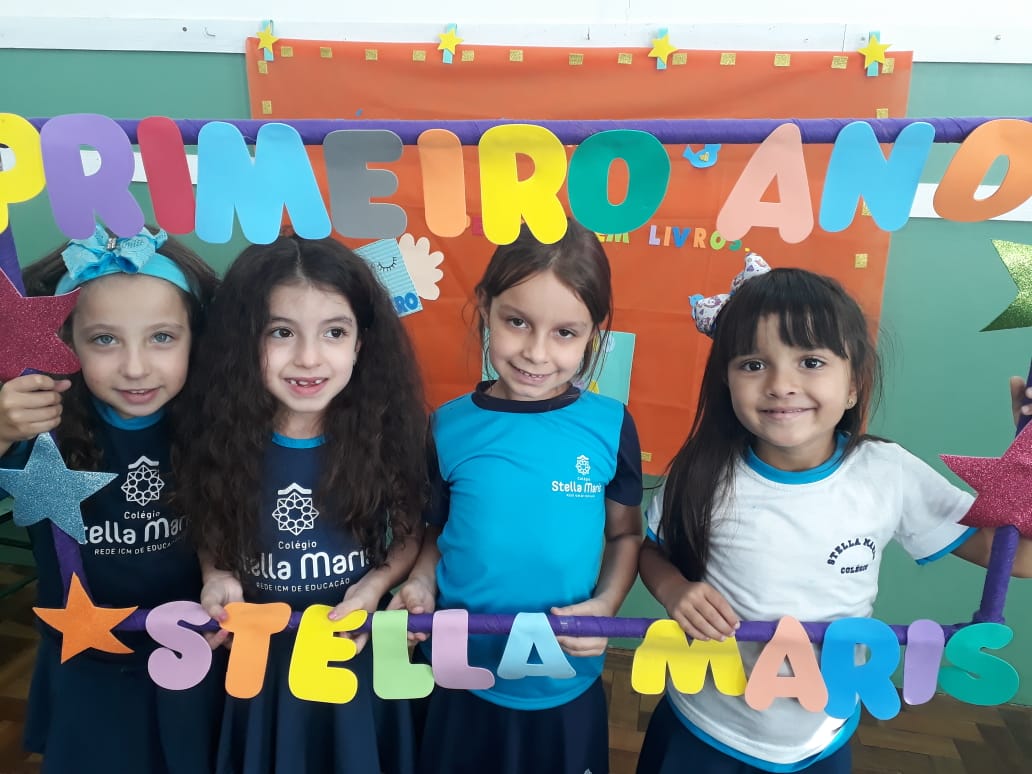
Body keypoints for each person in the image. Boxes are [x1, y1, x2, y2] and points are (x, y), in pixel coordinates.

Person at [636, 256, 1032, 774]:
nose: (781, 384)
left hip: (820, 734)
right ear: (725, 382)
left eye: (811, 362)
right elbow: (651, 552)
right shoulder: (703, 471)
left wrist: (1026, 466)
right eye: (753, 365)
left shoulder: (888, 472)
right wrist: (673, 590)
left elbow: (1019, 559)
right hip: (705, 724)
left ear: (852, 385)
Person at [390, 218, 644, 774]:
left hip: (563, 680)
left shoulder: (610, 425)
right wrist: (421, 582)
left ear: (594, 333)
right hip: (459, 673)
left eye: (565, 333)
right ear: (485, 306)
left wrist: (606, 605)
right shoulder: (447, 427)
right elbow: (437, 531)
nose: (536, 352)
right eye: (517, 322)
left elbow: (626, 534)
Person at [175, 235, 428, 774]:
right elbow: (209, 518)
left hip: (352, 653)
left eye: (334, 332)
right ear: (244, 340)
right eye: (281, 332)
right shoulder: (218, 436)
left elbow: (409, 531)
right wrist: (216, 574)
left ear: (361, 343)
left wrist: (376, 586)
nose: (309, 358)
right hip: (261, 661)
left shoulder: (386, 435)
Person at [0, 223, 223, 774]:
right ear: (66, 342)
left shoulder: (216, 425)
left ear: (197, 338)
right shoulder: (40, 424)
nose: (135, 367)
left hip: (197, 650)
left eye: (162, 337)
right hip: (89, 660)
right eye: (104, 339)